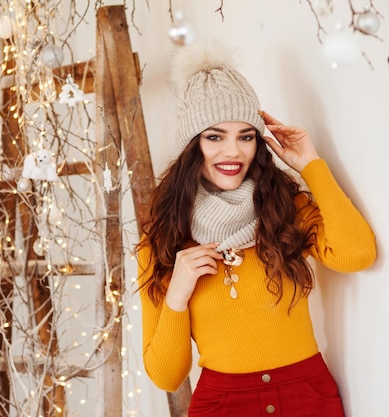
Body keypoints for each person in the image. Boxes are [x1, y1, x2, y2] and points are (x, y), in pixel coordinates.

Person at [136, 39, 376, 417]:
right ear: (191, 146)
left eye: (245, 136)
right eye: (214, 137)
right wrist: (177, 295)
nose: (232, 152)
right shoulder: (162, 243)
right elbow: (166, 376)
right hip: (221, 404)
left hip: (307, 396)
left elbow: (357, 254)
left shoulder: (285, 208)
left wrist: (311, 164)